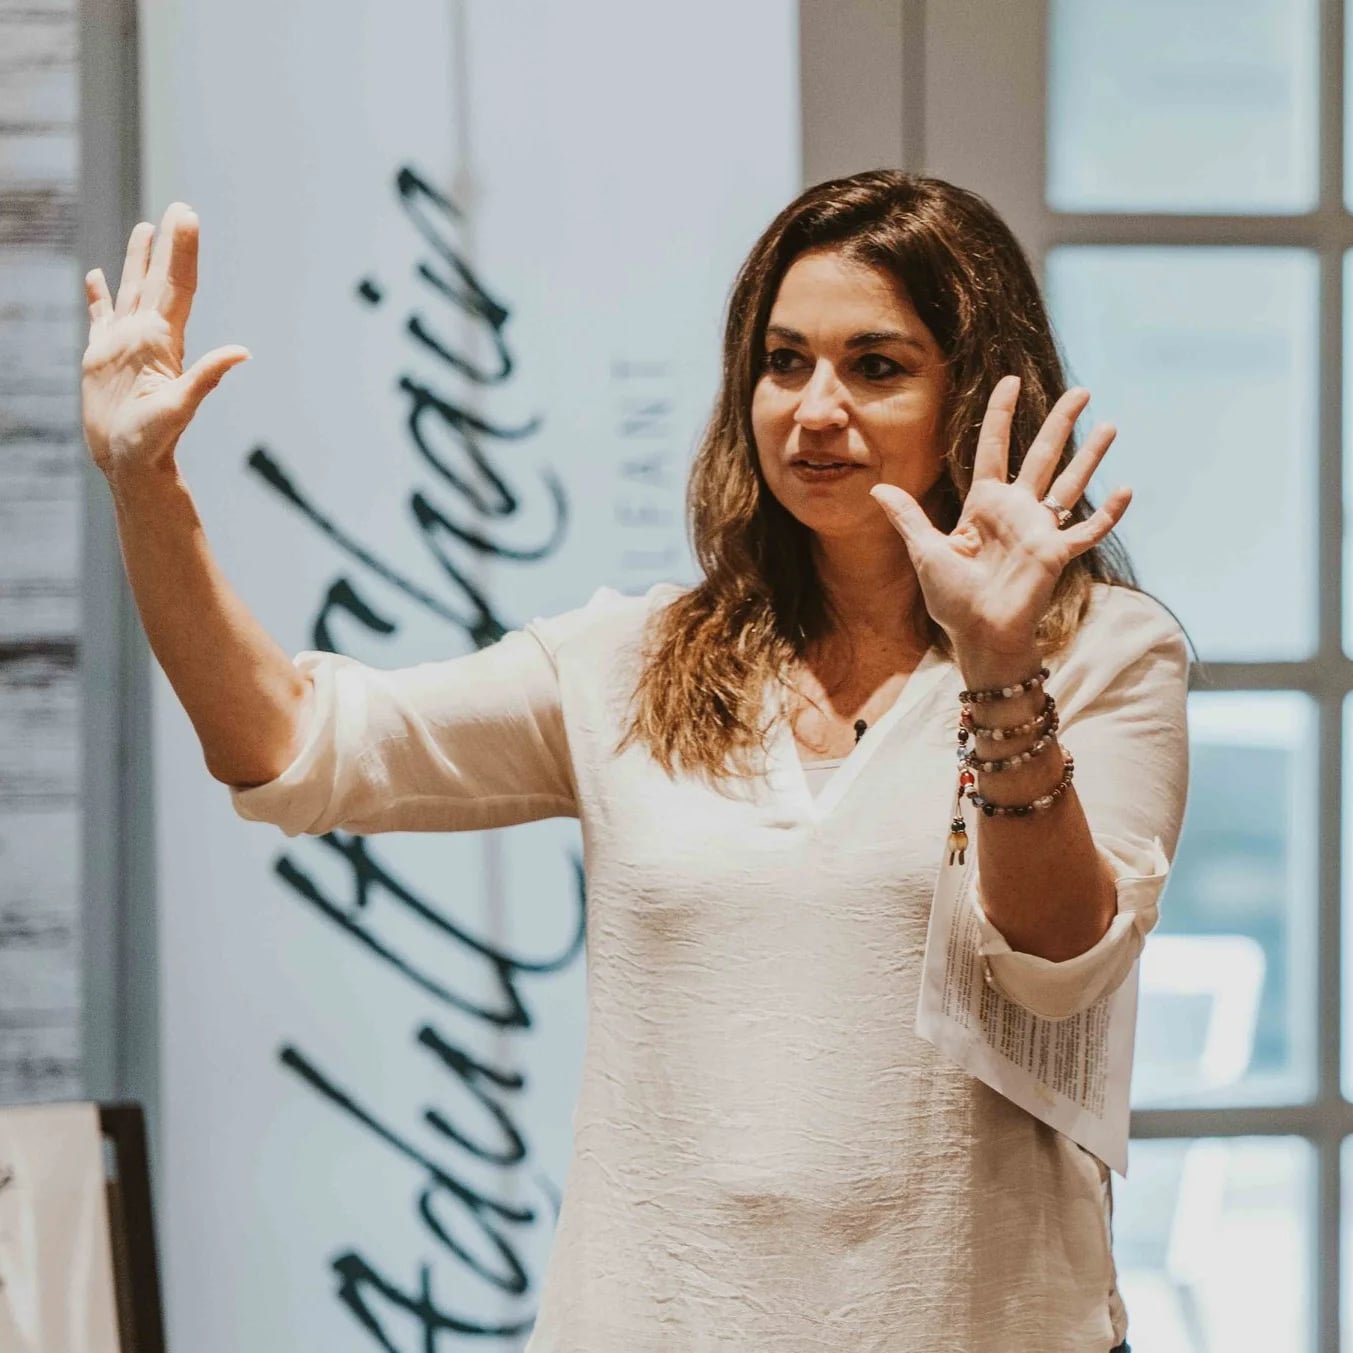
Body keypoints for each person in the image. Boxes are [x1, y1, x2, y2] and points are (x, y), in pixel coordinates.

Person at [82, 171, 1188, 1353]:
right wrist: (147, 489)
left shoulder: (1102, 652)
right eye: (783, 361)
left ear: (975, 395)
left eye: (876, 366)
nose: (814, 409)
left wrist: (996, 663)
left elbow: (1062, 958)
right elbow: (289, 742)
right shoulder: (632, 658)